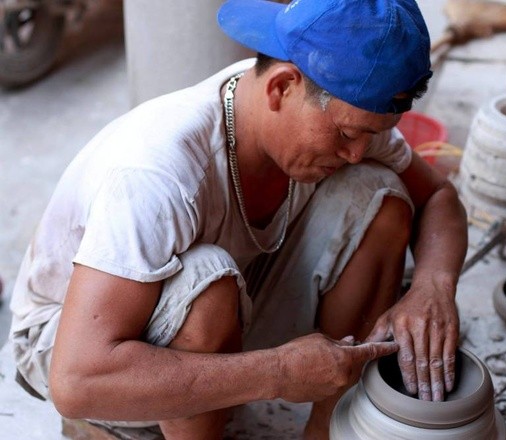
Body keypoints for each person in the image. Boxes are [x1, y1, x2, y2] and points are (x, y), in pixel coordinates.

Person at [9, 0, 468, 438]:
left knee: (380, 196)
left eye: (370, 135)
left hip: (234, 293)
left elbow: (440, 196)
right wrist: (279, 372)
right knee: (206, 285)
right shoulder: (156, 173)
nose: (356, 150)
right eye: (347, 134)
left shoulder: (343, 111)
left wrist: (433, 286)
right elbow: (76, 381)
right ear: (281, 88)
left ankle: (328, 428)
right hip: (78, 347)